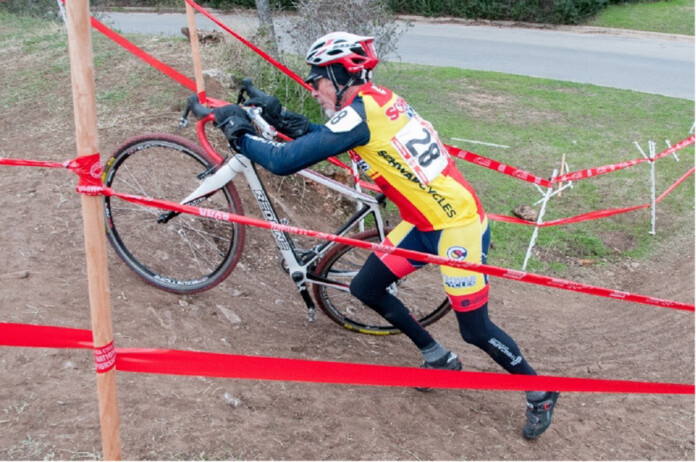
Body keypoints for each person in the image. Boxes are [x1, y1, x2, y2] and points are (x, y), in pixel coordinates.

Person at [212, 31, 559, 439]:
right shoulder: (376, 101)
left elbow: (284, 162)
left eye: (316, 80)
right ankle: (438, 357)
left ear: (340, 75)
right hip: (423, 221)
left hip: (457, 227)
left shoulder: (361, 114)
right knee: (366, 287)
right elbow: (325, 137)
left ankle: (540, 391)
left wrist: (239, 135)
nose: (313, 89)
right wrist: (278, 115)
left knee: (475, 330)